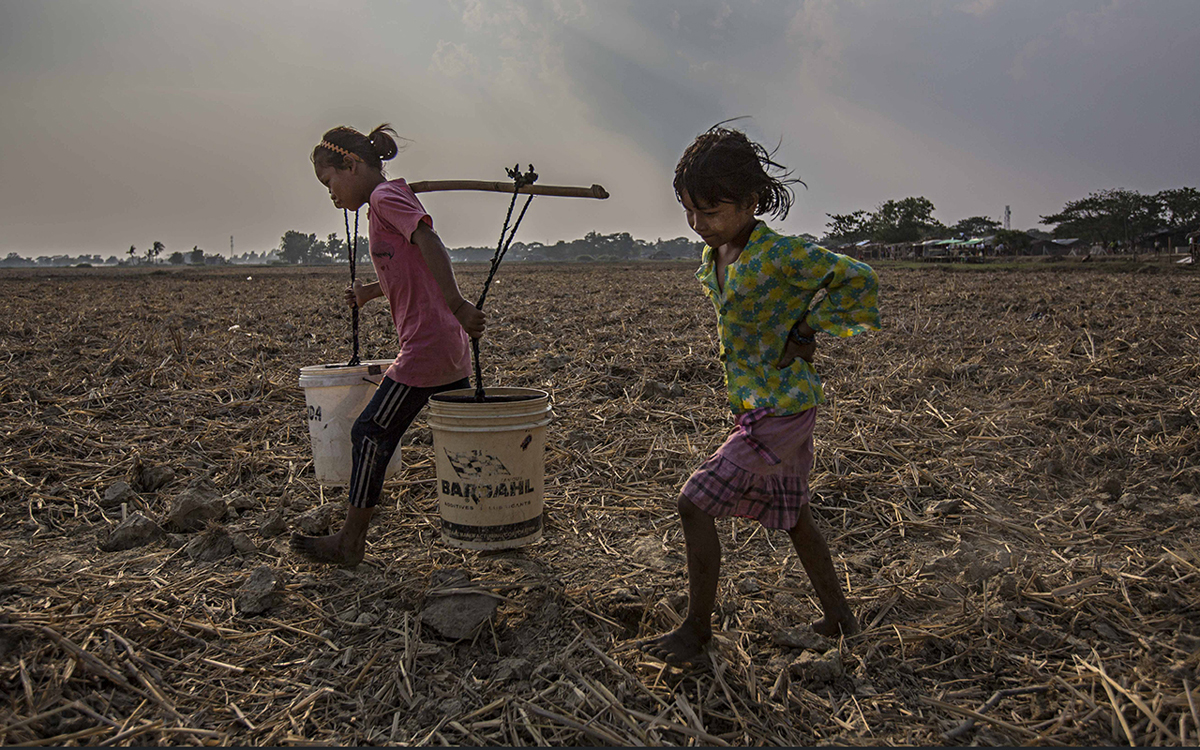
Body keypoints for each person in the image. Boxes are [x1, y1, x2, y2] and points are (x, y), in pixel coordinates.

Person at [642, 124, 881, 665]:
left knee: (693, 503)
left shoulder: (781, 254)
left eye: (710, 211)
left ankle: (696, 632)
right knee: (794, 516)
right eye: (689, 211)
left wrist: (808, 329)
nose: (698, 224)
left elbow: (858, 277)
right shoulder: (718, 255)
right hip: (758, 404)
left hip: (783, 408)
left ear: (751, 202)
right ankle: (840, 618)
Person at [291, 124, 486, 567]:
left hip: (426, 348)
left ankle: (349, 543)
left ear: (351, 165)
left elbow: (428, 240)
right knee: (461, 441)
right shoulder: (384, 201)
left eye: (329, 181)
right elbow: (407, 265)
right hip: (442, 344)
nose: (330, 193)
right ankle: (485, 520)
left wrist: (457, 304)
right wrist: (369, 293)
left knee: (370, 433)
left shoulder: (384, 198)